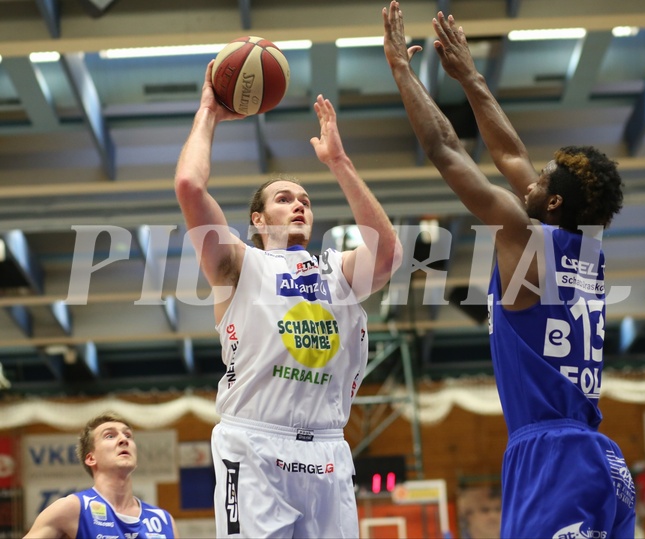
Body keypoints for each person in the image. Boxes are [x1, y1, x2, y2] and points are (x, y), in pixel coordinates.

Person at [383, 2, 636, 537]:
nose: (529, 181)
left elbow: (444, 148)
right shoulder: (586, 250)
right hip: (600, 460)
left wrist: (403, 73)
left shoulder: (523, 238)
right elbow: (511, 153)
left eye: (541, 181)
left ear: (554, 206)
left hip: (553, 457)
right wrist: (470, 77)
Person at [174, 60, 402, 538]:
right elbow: (190, 187)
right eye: (283, 198)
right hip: (254, 443)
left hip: (328, 449)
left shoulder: (335, 271)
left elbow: (387, 255)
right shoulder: (238, 265)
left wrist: (339, 163)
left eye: (304, 198)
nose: (299, 203)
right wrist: (208, 114)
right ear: (257, 220)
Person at [23, 412, 179, 539]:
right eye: (110, 436)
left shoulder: (163, 520)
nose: (123, 440)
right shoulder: (73, 508)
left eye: (128, 435)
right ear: (91, 458)